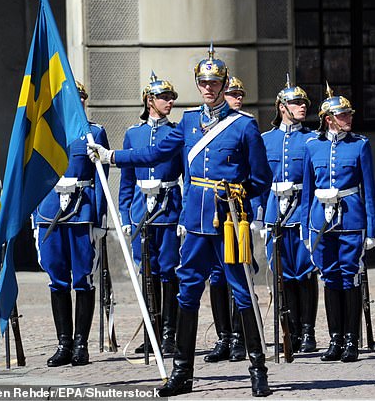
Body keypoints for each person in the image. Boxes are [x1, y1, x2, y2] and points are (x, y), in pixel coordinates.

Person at [88, 44, 273, 397]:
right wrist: (112, 156)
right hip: (195, 223)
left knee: (242, 290)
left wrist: (238, 197)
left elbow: (260, 177)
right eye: (203, 82)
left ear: (223, 84)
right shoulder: (189, 121)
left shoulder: (244, 126)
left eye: (214, 82)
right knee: (187, 291)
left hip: (229, 221)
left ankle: (257, 368)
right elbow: (154, 153)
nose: (208, 87)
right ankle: (182, 372)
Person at [301, 83, 375, 362]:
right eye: (343, 115)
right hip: (320, 220)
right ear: (328, 118)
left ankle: (351, 340)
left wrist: (372, 228)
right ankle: (335, 339)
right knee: (330, 277)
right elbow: (307, 190)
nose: (349, 118)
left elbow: (368, 189)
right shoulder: (312, 146)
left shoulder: (360, 145)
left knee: (349, 276)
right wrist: (304, 228)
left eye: (349, 114)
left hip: (350, 218)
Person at [33, 81, 109, 367]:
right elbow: (35, 179)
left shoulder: (94, 132)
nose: (75, 103)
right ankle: (63, 342)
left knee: (83, 278)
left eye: (80, 98)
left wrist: (100, 218)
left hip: (82, 213)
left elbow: (101, 180)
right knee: (57, 279)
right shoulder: (45, 133)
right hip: (50, 212)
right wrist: (33, 218)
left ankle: (81, 344)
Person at [118, 73, 183, 355]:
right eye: (164, 98)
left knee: (169, 272)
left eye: (171, 98)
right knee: (148, 272)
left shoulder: (177, 132)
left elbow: (188, 177)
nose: (170, 102)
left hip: (169, 210)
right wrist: (124, 216)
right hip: (139, 212)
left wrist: (184, 217)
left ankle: (170, 334)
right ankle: (152, 333)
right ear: (149, 100)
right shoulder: (134, 134)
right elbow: (127, 181)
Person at [256, 77, 319, 352]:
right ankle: (289, 330)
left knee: (306, 271)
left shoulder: (312, 139)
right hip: (275, 211)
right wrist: (259, 214)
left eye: (304, 102)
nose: (302, 107)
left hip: (302, 211)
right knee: (282, 273)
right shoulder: (265, 140)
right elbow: (257, 179)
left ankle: (308, 331)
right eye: (296, 103)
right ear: (282, 107)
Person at [203, 75, 251, 364]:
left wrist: (252, 211)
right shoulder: (205, 125)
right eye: (233, 93)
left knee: (238, 275)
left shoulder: (243, 126)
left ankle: (240, 337)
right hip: (210, 215)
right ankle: (223, 336)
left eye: (239, 94)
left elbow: (253, 172)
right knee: (216, 277)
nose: (237, 99)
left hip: (236, 213)